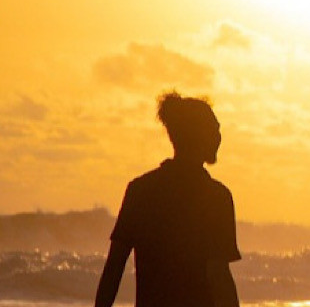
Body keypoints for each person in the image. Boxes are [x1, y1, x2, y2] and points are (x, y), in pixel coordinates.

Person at [95, 93, 242, 307]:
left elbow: (114, 268)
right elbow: (219, 275)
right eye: (214, 129)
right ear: (198, 135)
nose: (219, 137)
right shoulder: (216, 197)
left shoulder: (141, 189)